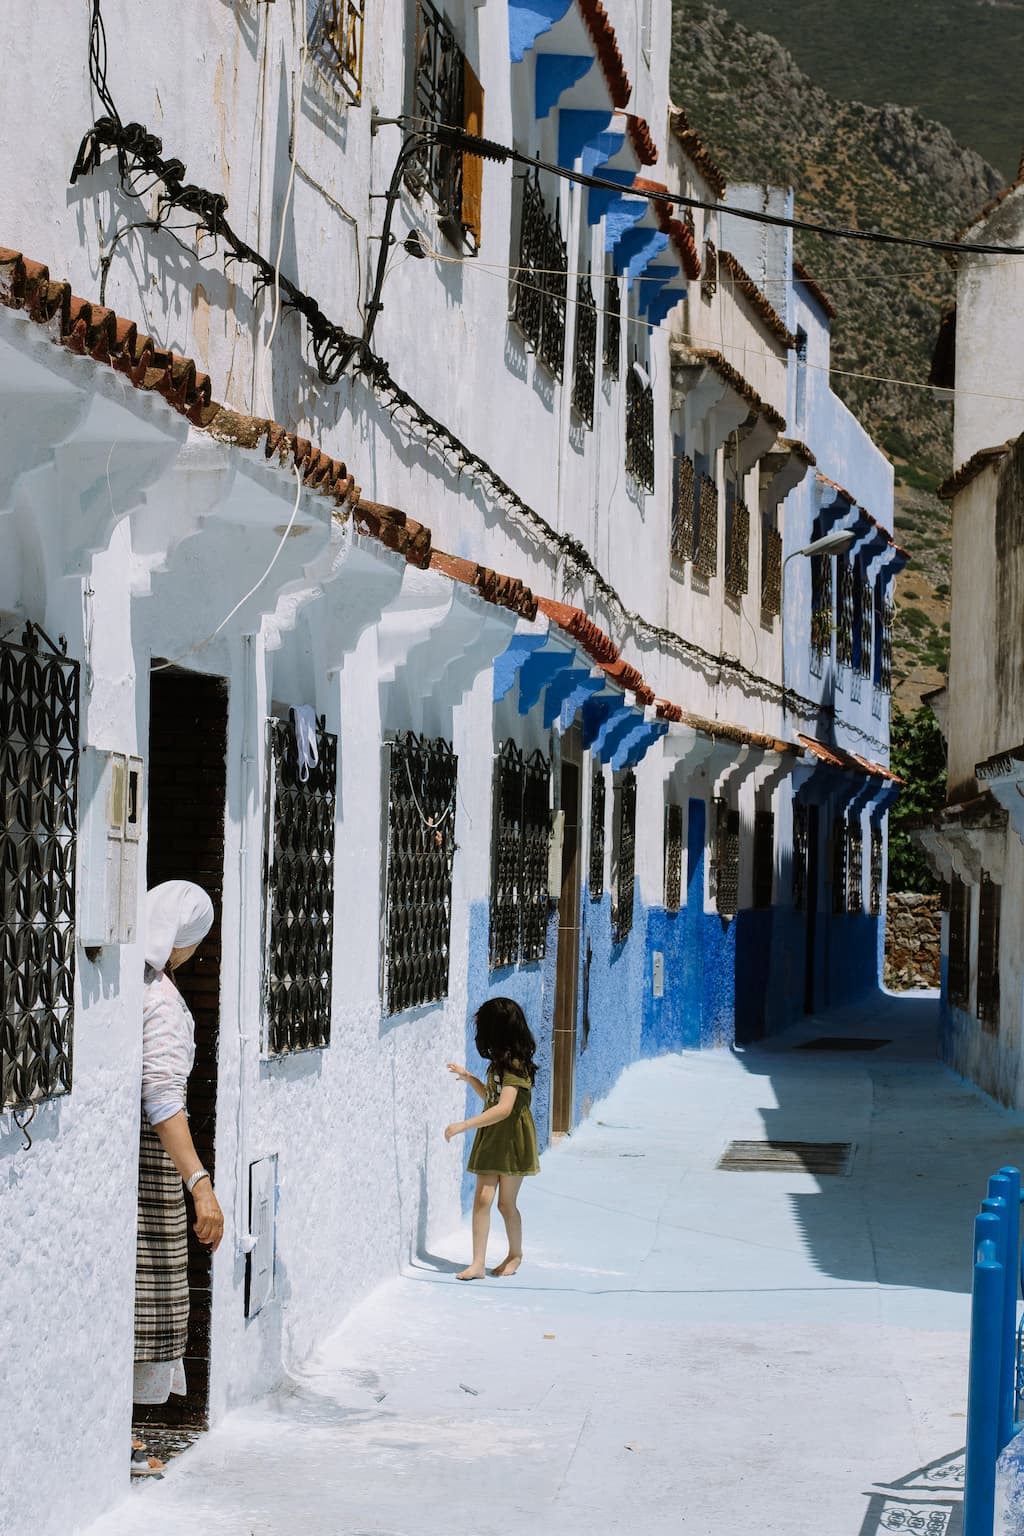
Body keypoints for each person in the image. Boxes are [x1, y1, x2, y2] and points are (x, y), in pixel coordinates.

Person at [131, 881, 224, 1477]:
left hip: (131, 1162)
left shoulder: (124, 983)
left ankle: (120, 1438)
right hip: (152, 1165)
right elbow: (162, 1097)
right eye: (195, 941)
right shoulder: (160, 999)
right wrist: (200, 1183)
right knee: (151, 1293)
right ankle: (123, 1439)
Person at [445, 997, 540, 1282]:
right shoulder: (498, 1064)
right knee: (483, 1199)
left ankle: (515, 1254)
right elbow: (491, 1096)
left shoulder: (515, 1065)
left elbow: (504, 1108)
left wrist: (464, 1125)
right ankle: (477, 1263)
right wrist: (469, 1077)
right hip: (493, 1137)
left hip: (512, 1140)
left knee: (505, 1204)